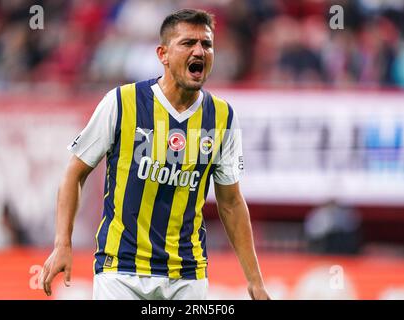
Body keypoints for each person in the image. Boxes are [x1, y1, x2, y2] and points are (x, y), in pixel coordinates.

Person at [40, 8, 270, 300]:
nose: (200, 50)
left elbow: (231, 202)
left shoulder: (222, 117)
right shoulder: (122, 102)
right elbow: (75, 172)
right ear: (163, 54)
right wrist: (63, 244)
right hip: (121, 271)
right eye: (188, 43)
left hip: (187, 275)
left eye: (207, 44)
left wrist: (255, 280)